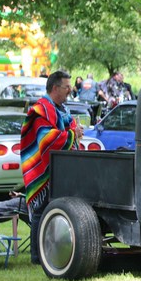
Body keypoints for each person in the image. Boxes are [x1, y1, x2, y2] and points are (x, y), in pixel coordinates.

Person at [20, 70, 84, 264]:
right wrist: (73, 133)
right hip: (44, 171)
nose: (70, 91)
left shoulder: (61, 110)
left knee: (54, 211)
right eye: (66, 87)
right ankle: (37, 257)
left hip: (60, 169)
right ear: (55, 88)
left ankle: (50, 253)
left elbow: (67, 130)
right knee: (40, 211)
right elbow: (47, 141)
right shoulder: (41, 110)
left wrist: (75, 132)